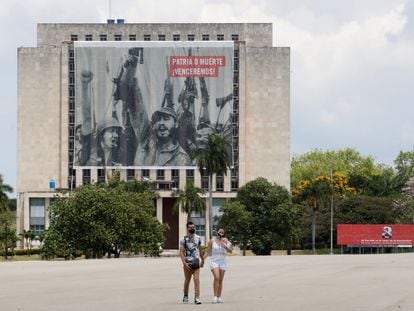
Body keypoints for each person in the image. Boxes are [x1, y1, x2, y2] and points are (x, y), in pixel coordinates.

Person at [180, 222, 204, 305]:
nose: (192, 228)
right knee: (187, 280)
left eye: (193, 227)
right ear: (187, 228)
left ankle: (197, 297)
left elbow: (200, 250)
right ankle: (185, 295)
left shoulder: (198, 238)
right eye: (190, 227)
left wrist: (203, 260)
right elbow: (181, 252)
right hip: (187, 262)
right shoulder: (183, 239)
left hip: (196, 262)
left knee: (196, 280)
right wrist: (184, 263)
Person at [206, 228, 232, 304]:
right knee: (216, 277)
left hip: (222, 260)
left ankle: (219, 297)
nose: (221, 233)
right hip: (214, 260)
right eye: (220, 232)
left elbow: (231, 251)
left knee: (220, 279)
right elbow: (208, 252)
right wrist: (202, 260)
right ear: (217, 232)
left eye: (222, 232)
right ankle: (214, 297)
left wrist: (225, 246)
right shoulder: (212, 241)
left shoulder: (226, 240)